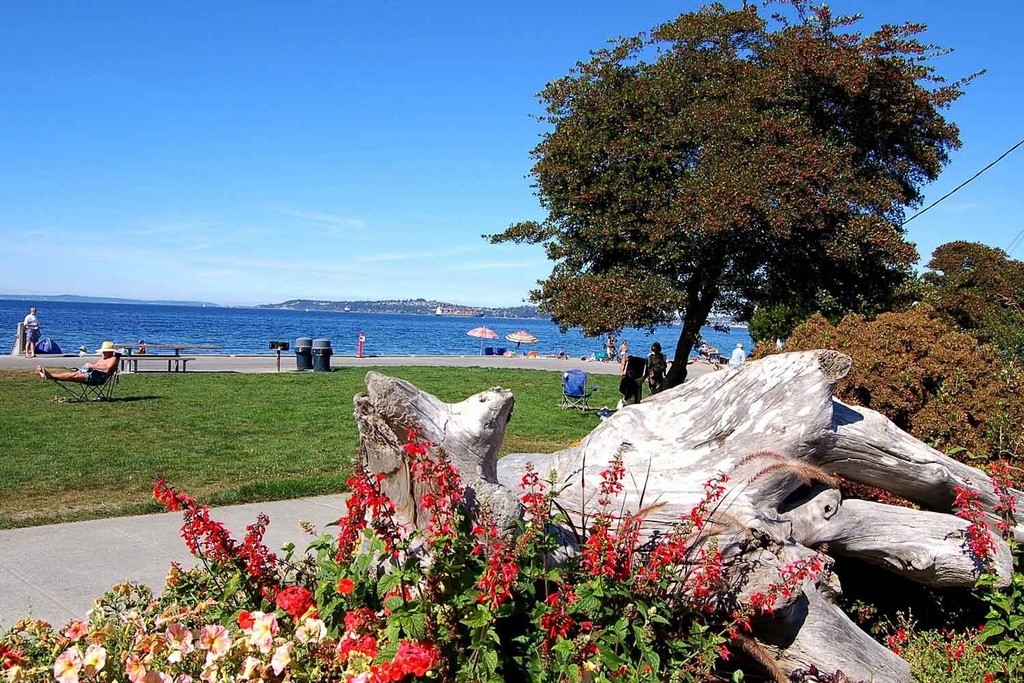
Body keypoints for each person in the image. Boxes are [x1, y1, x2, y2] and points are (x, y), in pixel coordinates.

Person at [37, 341, 119, 384]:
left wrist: (92, 366)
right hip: (91, 374)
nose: (103, 353)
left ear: (110, 352)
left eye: (105, 351)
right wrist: (89, 367)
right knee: (73, 373)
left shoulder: (113, 359)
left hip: (97, 378)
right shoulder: (103, 359)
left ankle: (50, 376)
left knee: (74, 375)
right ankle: (49, 375)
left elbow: (107, 368)